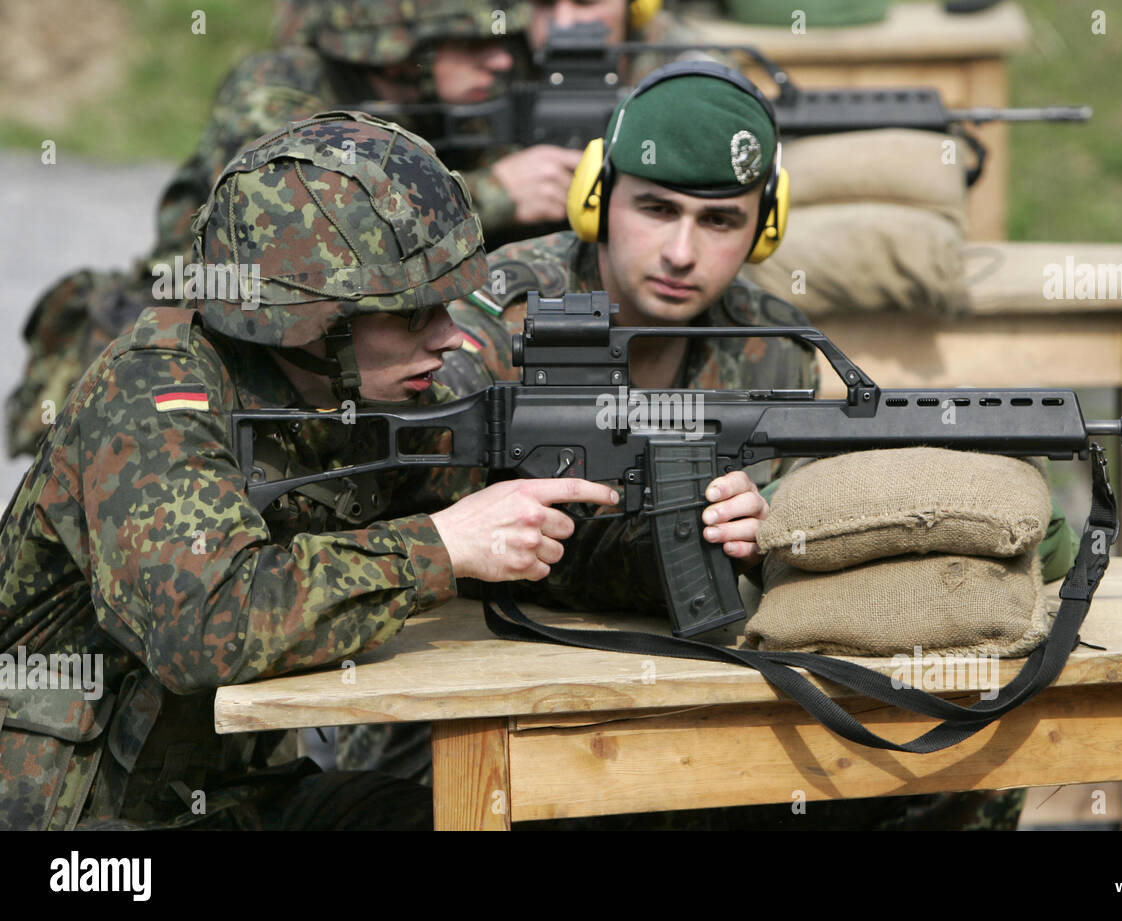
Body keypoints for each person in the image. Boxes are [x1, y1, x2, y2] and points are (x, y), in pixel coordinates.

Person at [344, 63, 1059, 830]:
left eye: (718, 221)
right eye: (655, 208)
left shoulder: (767, 342)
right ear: (598, 198)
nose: (681, 251)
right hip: (468, 708)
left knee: (951, 765)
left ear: (765, 225)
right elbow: (371, 507)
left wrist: (770, 531)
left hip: (671, 695)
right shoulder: (500, 319)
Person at [0, 112, 653, 830]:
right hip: (69, 814)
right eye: (412, 315)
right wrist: (434, 546)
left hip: (232, 797)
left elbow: (514, 540)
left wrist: (673, 533)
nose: (449, 336)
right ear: (315, 319)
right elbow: (203, 626)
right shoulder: (155, 390)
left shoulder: (354, 392)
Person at [5, 0, 574, 459]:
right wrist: (496, 192)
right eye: (472, 44)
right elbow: (308, 251)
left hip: (360, 352)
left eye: (503, 43)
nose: (499, 62)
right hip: (212, 326)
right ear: (396, 43)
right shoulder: (278, 91)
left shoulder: (457, 103)